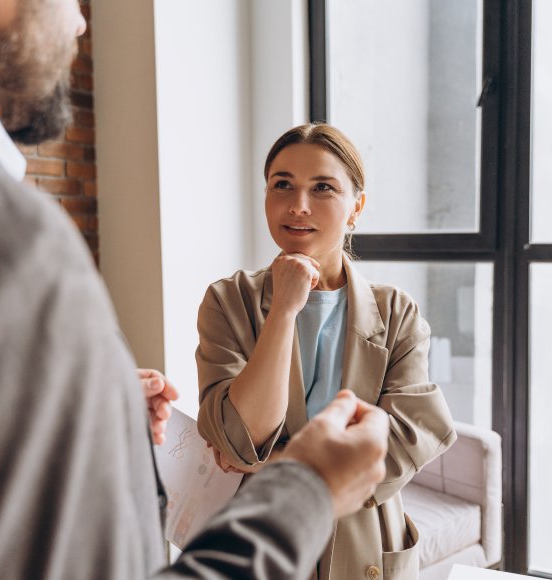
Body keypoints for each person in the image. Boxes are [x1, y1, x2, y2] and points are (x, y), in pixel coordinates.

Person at [0, 0, 392, 578]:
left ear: (356, 206)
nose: (82, 23)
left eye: (323, 189)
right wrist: (306, 490)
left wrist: (89, 417)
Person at [196, 123, 458, 579]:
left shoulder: (397, 313)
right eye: (283, 185)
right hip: (264, 544)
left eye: (323, 188)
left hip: (365, 547)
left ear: (356, 207)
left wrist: (268, 465)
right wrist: (283, 308)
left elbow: (403, 445)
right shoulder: (227, 301)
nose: (298, 205)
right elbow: (239, 436)